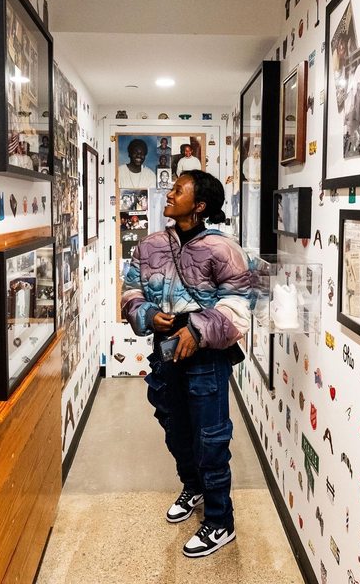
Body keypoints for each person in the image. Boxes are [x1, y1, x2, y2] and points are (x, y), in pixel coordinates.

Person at [121, 170, 252, 558]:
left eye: (179, 190)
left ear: (199, 206)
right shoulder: (150, 246)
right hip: (165, 354)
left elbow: (239, 305)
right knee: (174, 429)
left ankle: (220, 520)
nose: (170, 193)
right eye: (172, 187)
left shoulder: (224, 249)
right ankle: (192, 486)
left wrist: (197, 329)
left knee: (211, 438)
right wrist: (146, 313)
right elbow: (131, 290)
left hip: (206, 357)